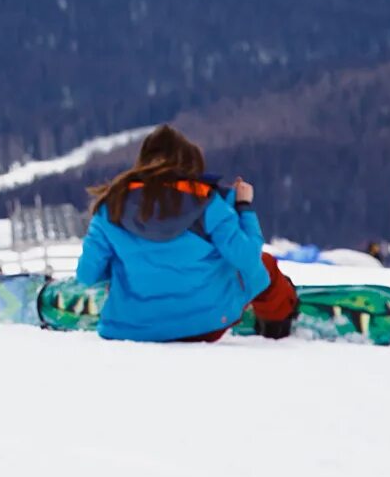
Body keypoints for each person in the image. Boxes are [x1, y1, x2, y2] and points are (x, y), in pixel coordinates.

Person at [72, 125, 299, 343]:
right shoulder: (209, 202)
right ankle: (277, 324)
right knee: (265, 265)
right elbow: (247, 258)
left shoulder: (111, 207)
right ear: (190, 162)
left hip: (131, 327)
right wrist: (244, 207)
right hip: (205, 326)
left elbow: (87, 275)